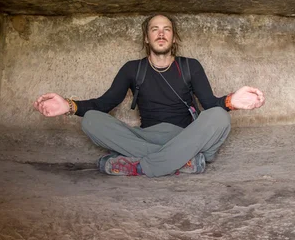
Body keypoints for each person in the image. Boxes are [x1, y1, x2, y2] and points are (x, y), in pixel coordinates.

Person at [34, 14, 265, 177]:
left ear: (174, 38)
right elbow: (103, 104)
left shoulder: (190, 66)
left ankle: (142, 167)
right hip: (147, 138)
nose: (161, 33)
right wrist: (68, 105)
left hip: (187, 136)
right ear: (146, 38)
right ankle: (182, 162)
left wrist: (231, 101)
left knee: (219, 117)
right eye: (154, 29)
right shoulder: (132, 69)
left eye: (167, 29)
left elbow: (210, 104)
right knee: (92, 120)